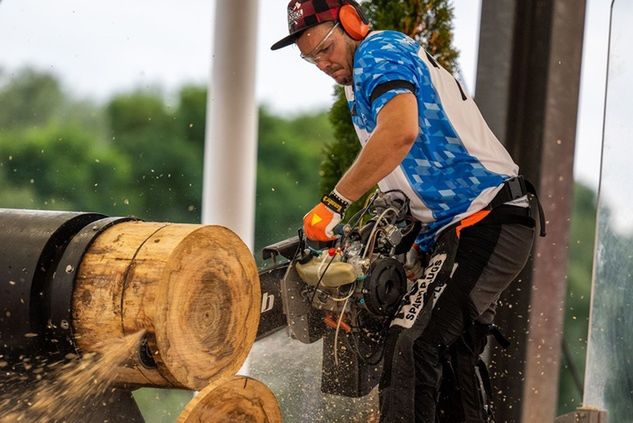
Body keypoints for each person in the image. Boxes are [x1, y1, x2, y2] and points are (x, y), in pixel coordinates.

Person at [271, 1, 545, 422]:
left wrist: (333, 207)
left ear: (351, 22)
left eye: (325, 48)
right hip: (454, 227)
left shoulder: (379, 51)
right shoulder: (359, 80)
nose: (321, 63)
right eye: (311, 58)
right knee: (449, 353)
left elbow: (400, 132)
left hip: (485, 217)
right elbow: (402, 171)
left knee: (414, 343)